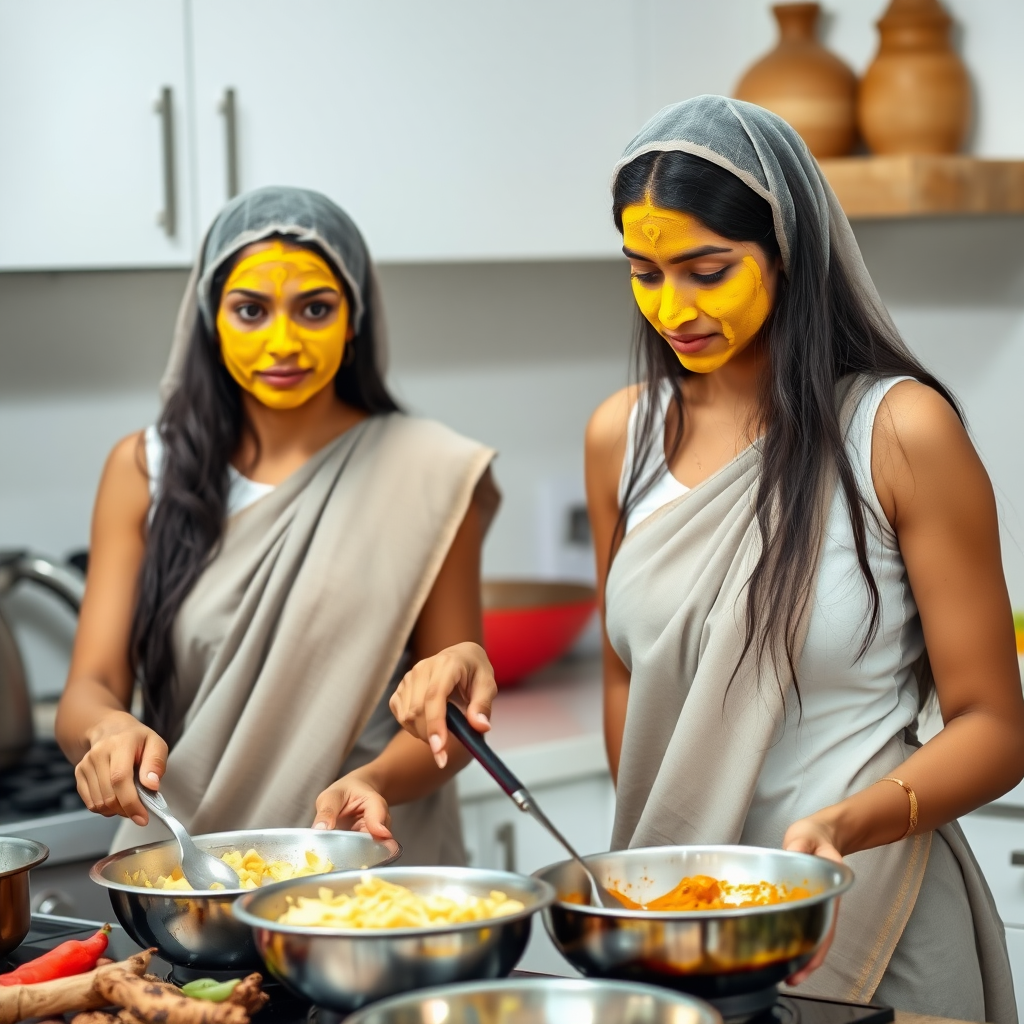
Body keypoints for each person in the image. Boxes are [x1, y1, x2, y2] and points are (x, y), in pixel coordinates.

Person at [388, 97, 1024, 1020]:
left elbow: (996, 729)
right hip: (682, 930)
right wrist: (664, 854)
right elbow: (623, 675)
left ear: (788, 253)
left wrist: (845, 825)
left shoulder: (897, 432)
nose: (670, 308)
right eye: (643, 273)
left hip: (870, 909)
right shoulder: (624, 436)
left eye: (707, 270)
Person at [56, 186, 499, 866]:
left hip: (368, 868)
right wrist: (106, 729)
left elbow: (455, 716)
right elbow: (89, 687)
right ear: (212, 317)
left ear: (353, 318)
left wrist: (376, 779)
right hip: (193, 867)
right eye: (251, 310)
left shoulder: (432, 471)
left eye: (315, 309)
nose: (283, 342)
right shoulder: (144, 469)